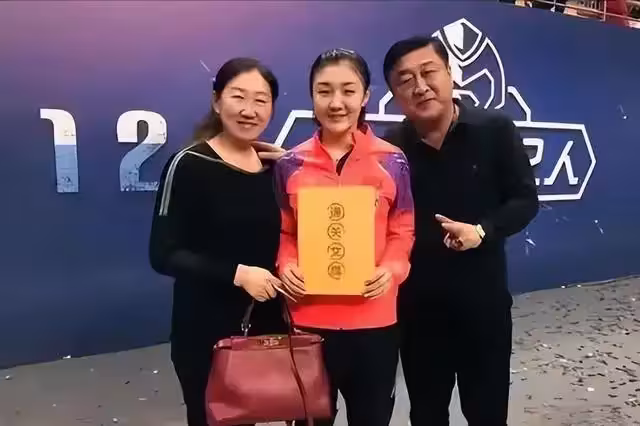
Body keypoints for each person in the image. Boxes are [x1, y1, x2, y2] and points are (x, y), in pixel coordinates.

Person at [381, 36, 539, 426]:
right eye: (405, 80)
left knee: (487, 414)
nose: (420, 86)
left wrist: (481, 231)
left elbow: (524, 200)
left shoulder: (495, 130)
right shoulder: (389, 150)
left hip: (483, 307)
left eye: (428, 72)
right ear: (394, 95)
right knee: (426, 414)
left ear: (450, 74)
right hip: (418, 314)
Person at [274, 48, 415, 426]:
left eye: (348, 91)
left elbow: (402, 229)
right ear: (312, 95)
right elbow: (286, 230)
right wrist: (286, 264)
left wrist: (392, 269)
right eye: (324, 91)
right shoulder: (290, 163)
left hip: (374, 320)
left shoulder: (392, 161)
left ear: (365, 96)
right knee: (310, 420)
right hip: (308, 318)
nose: (336, 103)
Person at [149, 57, 288, 426]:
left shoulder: (274, 169)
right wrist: (238, 274)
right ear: (216, 101)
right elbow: (163, 254)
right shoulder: (189, 164)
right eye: (238, 97)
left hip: (264, 327)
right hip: (205, 332)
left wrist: (295, 166)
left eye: (260, 100)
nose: (249, 110)